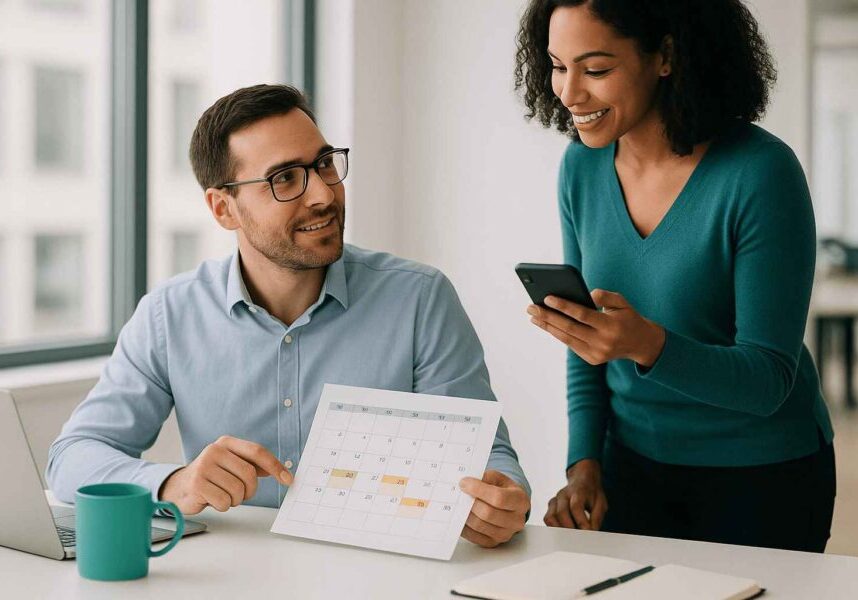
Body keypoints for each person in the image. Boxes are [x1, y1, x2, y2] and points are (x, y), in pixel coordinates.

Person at [47, 84, 530, 548]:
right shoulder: (169, 315)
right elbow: (72, 459)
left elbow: (485, 451)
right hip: (233, 582)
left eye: (323, 164)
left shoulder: (420, 299)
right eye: (284, 179)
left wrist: (503, 498)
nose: (322, 194)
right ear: (223, 208)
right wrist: (176, 481)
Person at [514, 0, 836, 552]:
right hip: (631, 469)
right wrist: (584, 463)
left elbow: (768, 380)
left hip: (762, 477)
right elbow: (587, 341)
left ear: (665, 56)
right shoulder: (581, 167)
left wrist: (649, 345)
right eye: (556, 65)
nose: (568, 93)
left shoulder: (761, 174)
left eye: (595, 69)